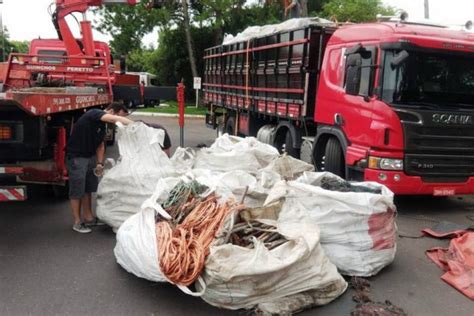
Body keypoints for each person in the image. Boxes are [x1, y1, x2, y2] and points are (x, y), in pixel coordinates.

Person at [66, 102, 133, 233]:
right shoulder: (94, 113)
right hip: (77, 157)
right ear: (112, 111)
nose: (116, 123)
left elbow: (101, 145)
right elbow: (114, 119)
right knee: (77, 189)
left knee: (88, 188)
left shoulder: (102, 126)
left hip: (90, 157)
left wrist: (100, 164)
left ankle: (89, 217)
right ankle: (77, 222)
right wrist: (132, 123)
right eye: (120, 116)